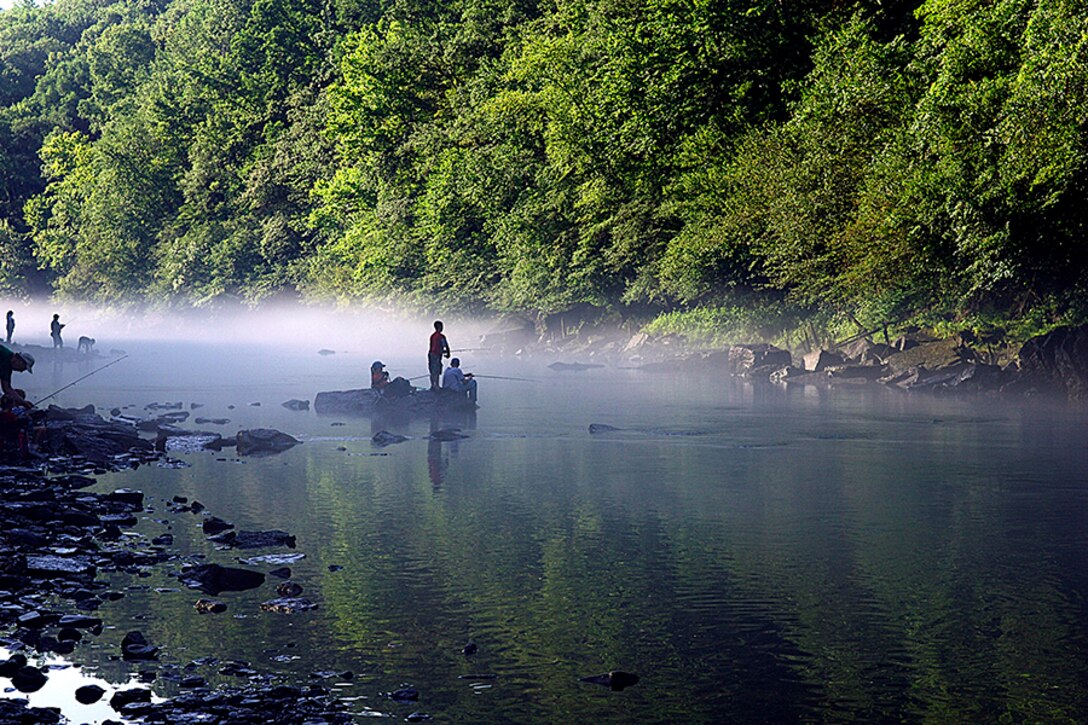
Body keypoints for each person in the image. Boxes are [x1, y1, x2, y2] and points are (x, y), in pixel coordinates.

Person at [0, 345, 34, 409]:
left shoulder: (7, 369)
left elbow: (7, 388)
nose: (21, 371)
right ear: (20, 361)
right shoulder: (3, 353)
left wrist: (23, 402)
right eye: (24, 368)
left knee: (20, 393)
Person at [428, 320, 450, 390]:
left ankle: (432, 385)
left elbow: (432, 346)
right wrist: (448, 353)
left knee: (432, 370)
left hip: (431, 354)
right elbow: (445, 345)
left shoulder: (432, 336)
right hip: (436, 355)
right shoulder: (441, 336)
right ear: (440, 327)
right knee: (437, 370)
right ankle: (436, 385)